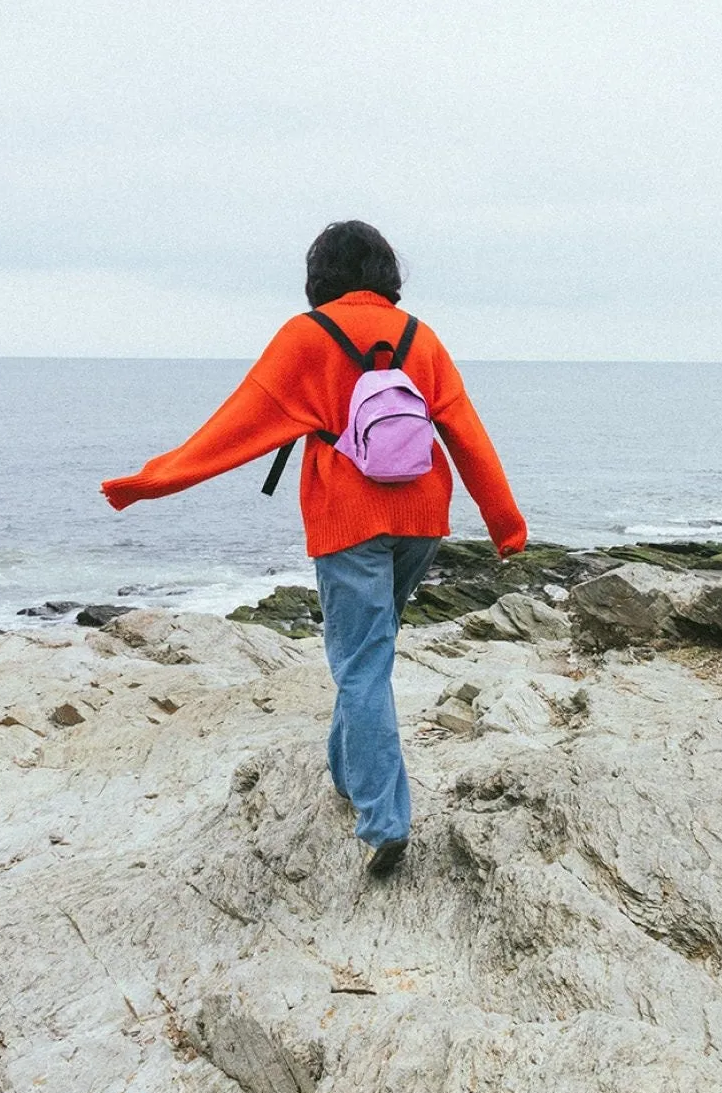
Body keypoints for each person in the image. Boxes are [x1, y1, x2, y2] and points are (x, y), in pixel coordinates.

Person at [101, 220, 526, 875]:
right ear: (387, 272)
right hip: (423, 517)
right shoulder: (423, 338)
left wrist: (150, 482)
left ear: (320, 275)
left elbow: (232, 427)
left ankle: (386, 823)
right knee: (369, 653)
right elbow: (467, 433)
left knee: (360, 664)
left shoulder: (308, 336)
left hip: (349, 519)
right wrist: (506, 526)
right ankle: (348, 772)